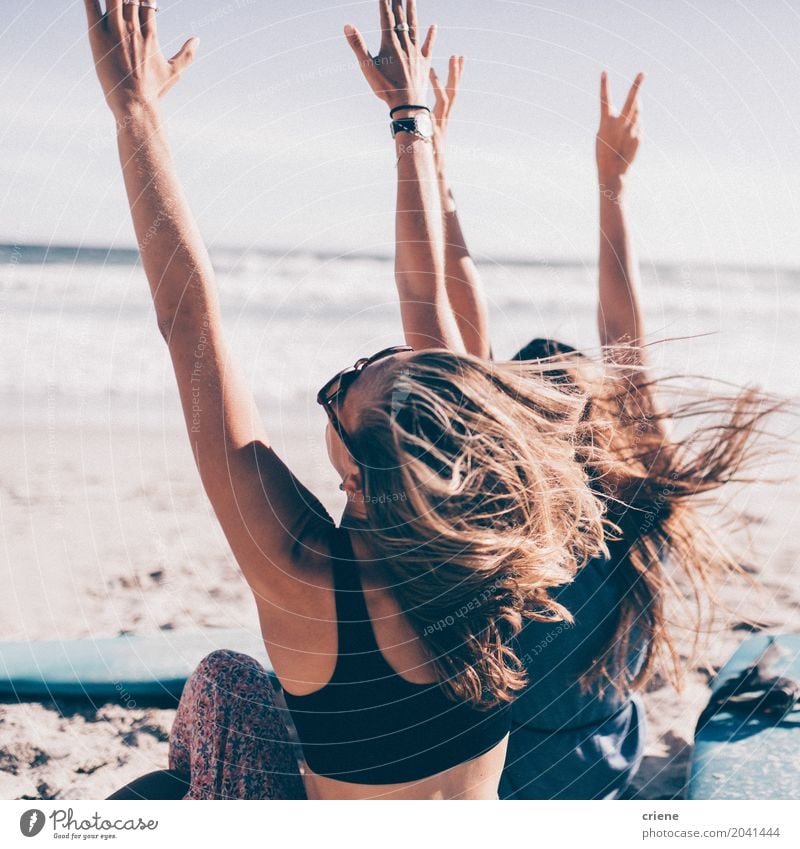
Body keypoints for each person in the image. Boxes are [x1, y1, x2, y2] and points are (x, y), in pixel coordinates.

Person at [85, 0, 612, 800]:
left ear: (359, 481)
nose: (347, 371)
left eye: (343, 390)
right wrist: (413, 121)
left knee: (226, 687)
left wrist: (134, 112)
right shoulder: (500, 552)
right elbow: (425, 293)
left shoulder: (304, 581)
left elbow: (188, 321)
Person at [389, 59, 783, 798]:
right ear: (604, 429)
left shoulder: (497, 527)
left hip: (501, 782)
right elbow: (625, 347)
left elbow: (450, 325)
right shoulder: (640, 510)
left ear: (515, 434)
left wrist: (433, 160)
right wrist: (611, 185)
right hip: (602, 776)